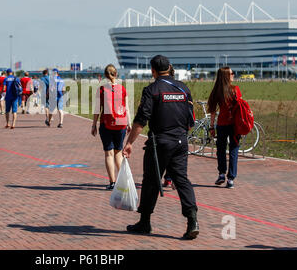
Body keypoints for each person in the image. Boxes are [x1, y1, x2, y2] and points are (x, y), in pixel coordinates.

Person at [123, 55, 199, 239]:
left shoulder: (152, 90)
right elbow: (191, 119)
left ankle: (145, 222)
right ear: (169, 68)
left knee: (151, 182)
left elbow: (141, 119)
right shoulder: (183, 88)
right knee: (182, 180)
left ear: (153, 71)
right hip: (181, 141)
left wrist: (130, 142)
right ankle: (192, 220)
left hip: (160, 143)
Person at [91, 64, 132, 190]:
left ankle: (112, 182)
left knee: (108, 153)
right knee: (118, 153)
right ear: (116, 74)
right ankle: (122, 182)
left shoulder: (102, 90)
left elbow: (97, 109)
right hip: (121, 124)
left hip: (106, 123)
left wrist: (94, 125)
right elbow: (126, 108)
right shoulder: (123, 89)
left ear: (105, 75)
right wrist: (129, 123)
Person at [207, 67, 242, 189]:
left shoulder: (217, 90)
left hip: (221, 125)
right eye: (232, 73)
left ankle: (221, 174)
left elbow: (212, 111)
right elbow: (240, 107)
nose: (234, 75)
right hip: (234, 125)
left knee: (220, 150)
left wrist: (212, 127)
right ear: (227, 76)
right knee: (234, 150)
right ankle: (231, 179)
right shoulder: (235, 90)